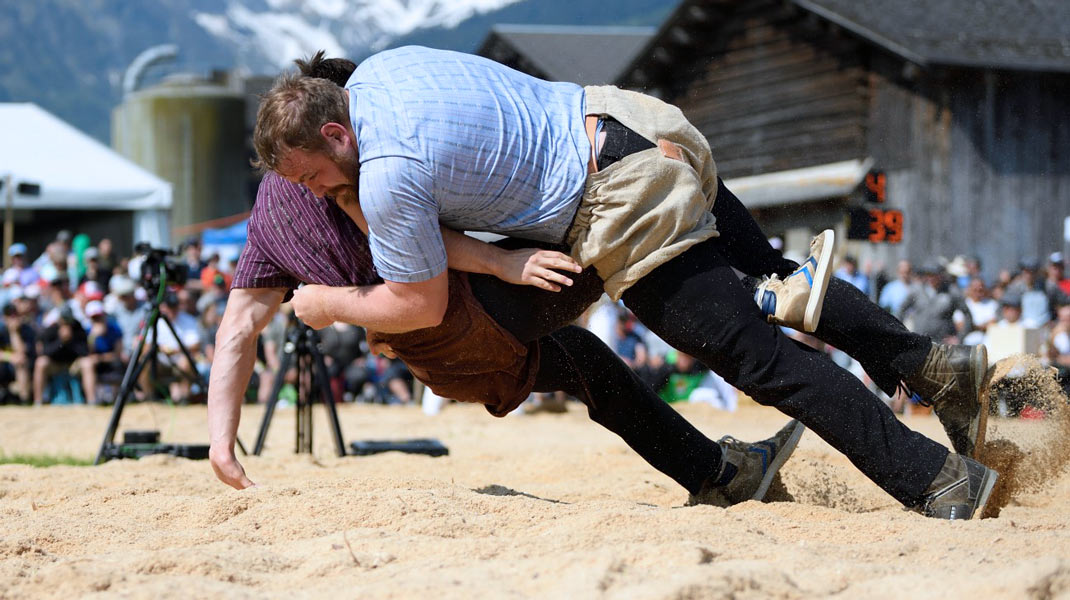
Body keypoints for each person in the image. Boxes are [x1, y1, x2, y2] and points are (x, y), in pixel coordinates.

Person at [251, 48, 998, 518]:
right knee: (777, 277)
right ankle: (934, 367)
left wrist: (329, 305)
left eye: (313, 176)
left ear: (337, 136)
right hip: (635, 121)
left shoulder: (384, 177)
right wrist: (505, 262)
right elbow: (424, 197)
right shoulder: (379, 74)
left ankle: (938, 479)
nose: (317, 194)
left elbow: (418, 299)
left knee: (756, 360)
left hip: (619, 200)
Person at [209, 171, 803, 509]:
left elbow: (236, 331)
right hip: (468, 319)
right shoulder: (360, 175)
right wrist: (504, 264)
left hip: (443, 361)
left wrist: (220, 445)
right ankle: (763, 289)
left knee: (587, 360)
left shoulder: (268, 225)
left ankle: (720, 474)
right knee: (614, 225)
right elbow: (435, 242)